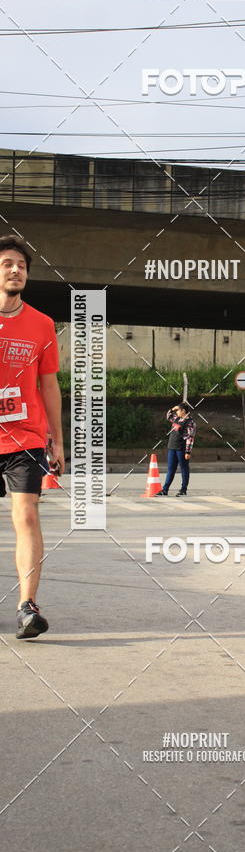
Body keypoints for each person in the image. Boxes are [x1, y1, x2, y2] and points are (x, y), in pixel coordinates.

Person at [0, 235, 63, 639]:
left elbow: (50, 386)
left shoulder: (41, 325)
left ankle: (27, 606)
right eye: (7, 263)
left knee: (26, 516)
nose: (15, 269)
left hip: (25, 438)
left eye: (21, 265)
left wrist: (57, 439)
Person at [155, 404, 196, 496]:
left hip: (181, 448)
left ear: (183, 411)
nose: (176, 412)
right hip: (172, 447)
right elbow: (168, 416)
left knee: (184, 468)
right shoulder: (177, 419)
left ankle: (183, 489)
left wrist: (188, 451)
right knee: (170, 469)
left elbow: (190, 437)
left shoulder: (190, 422)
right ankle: (165, 490)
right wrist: (173, 408)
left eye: (178, 410)